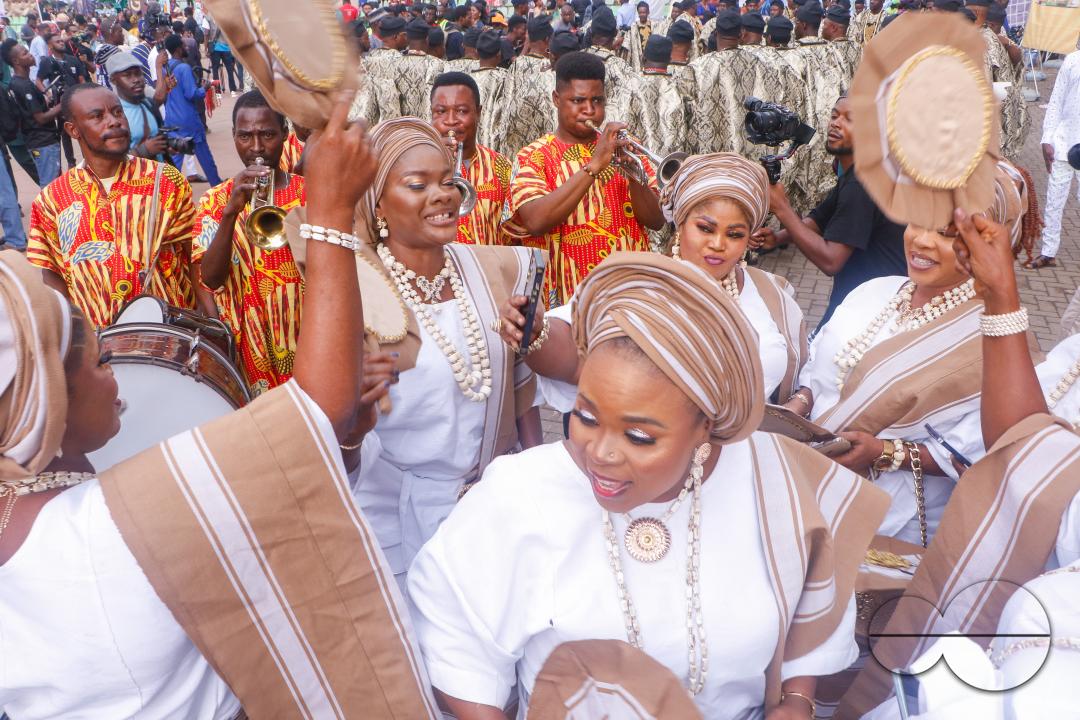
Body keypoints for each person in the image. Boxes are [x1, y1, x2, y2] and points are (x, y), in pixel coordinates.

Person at [0, 93, 443, 718]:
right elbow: (316, 415)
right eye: (100, 358)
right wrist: (332, 213)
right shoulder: (135, 513)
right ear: (48, 395)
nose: (120, 365)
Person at [410, 251, 887, 718]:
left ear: (706, 425)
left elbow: (816, 591)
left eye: (639, 436)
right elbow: (457, 634)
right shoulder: (520, 495)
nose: (600, 453)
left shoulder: (773, 481)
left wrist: (797, 702)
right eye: (586, 416)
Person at [347, 117, 543, 584]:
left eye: (449, 182)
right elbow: (341, 437)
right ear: (378, 204)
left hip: (492, 503)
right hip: (394, 511)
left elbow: (520, 393)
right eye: (418, 185)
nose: (443, 195)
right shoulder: (360, 293)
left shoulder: (490, 268)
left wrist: (538, 485)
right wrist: (352, 404)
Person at [505, 152, 809, 430]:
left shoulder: (770, 292)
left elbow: (804, 365)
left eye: (735, 234)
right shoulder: (634, 282)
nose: (718, 244)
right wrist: (535, 332)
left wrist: (801, 401)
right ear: (680, 224)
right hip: (648, 472)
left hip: (744, 465)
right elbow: (575, 357)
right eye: (705, 228)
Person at [26, 84, 196, 329]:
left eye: (117, 112)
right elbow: (53, 275)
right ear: (73, 130)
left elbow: (194, 255)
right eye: (97, 116)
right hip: (99, 345)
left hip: (169, 338)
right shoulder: (52, 200)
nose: (114, 121)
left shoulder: (166, 181)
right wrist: (73, 337)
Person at [503, 51, 664, 307]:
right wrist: (594, 165)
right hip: (566, 300)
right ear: (556, 99)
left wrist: (636, 178)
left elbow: (656, 221)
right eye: (578, 101)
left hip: (627, 294)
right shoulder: (533, 156)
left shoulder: (624, 148)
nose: (590, 111)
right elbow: (535, 221)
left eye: (597, 101)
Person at [191, 90, 306, 396]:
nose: (256, 147)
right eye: (245, 136)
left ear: (284, 134)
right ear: (234, 136)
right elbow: (210, 279)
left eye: (267, 134)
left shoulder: (309, 194)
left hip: (304, 332)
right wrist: (230, 212)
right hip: (248, 344)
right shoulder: (215, 201)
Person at [755, 95, 906, 327]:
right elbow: (820, 217)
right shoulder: (861, 171)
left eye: (850, 119)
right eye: (834, 115)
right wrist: (778, 238)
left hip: (870, 309)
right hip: (862, 298)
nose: (836, 123)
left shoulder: (863, 184)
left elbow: (831, 260)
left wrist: (781, 208)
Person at [431, 72, 512, 245]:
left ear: (478, 112)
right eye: (441, 111)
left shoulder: (502, 166)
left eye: (461, 111)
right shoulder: (413, 167)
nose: (451, 121)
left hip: (487, 269)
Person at [686, 10, 772, 156]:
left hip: (710, 159)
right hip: (750, 160)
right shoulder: (760, 65)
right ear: (741, 34)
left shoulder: (697, 68)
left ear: (716, 33)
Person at [4, 38, 64, 190]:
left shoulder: (18, 83)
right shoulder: (23, 86)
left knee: (56, 184)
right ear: (16, 61)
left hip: (40, 141)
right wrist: (63, 104)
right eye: (25, 53)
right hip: (42, 141)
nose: (31, 55)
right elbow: (40, 118)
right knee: (50, 187)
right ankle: (48, 213)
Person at [162, 33, 221, 186]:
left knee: (175, 157)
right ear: (178, 49)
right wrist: (204, 88)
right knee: (204, 155)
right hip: (189, 119)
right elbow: (192, 94)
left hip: (172, 118)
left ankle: (168, 190)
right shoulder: (183, 68)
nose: (186, 46)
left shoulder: (166, 68)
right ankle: (216, 184)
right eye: (183, 45)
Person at [625, 34, 691, 169]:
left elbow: (624, 125)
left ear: (644, 57)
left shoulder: (631, 84)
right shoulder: (679, 87)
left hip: (641, 167)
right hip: (673, 168)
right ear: (669, 59)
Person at [502, 16, 557, 157]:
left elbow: (506, 101)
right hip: (543, 140)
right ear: (547, 40)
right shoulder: (551, 67)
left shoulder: (516, 64)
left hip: (515, 137)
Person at [107, 50, 173, 162]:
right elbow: (110, 160)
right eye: (127, 75)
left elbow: (160, 97)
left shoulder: (148, 105)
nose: (136, 80)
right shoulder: (112, 116)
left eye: (138, 73)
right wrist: (144, 151)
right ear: (114, 80)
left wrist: (166, 147)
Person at [207, 15, 243, 96]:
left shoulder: (212, 18)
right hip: (227, 48)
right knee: (230, 70)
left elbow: (208, 33)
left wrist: (208, 46)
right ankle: (232, 90)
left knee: (215, 70)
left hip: (216, 48)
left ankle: (217, 91)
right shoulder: (228, 22)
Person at [624, 0, 658, 69]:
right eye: (640, 13)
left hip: (651, 58)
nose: (642, 14)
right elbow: (628, 43)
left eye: (644, 12)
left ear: (648, 12)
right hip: (637, 58)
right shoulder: (634, 26)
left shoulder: (654, 25)